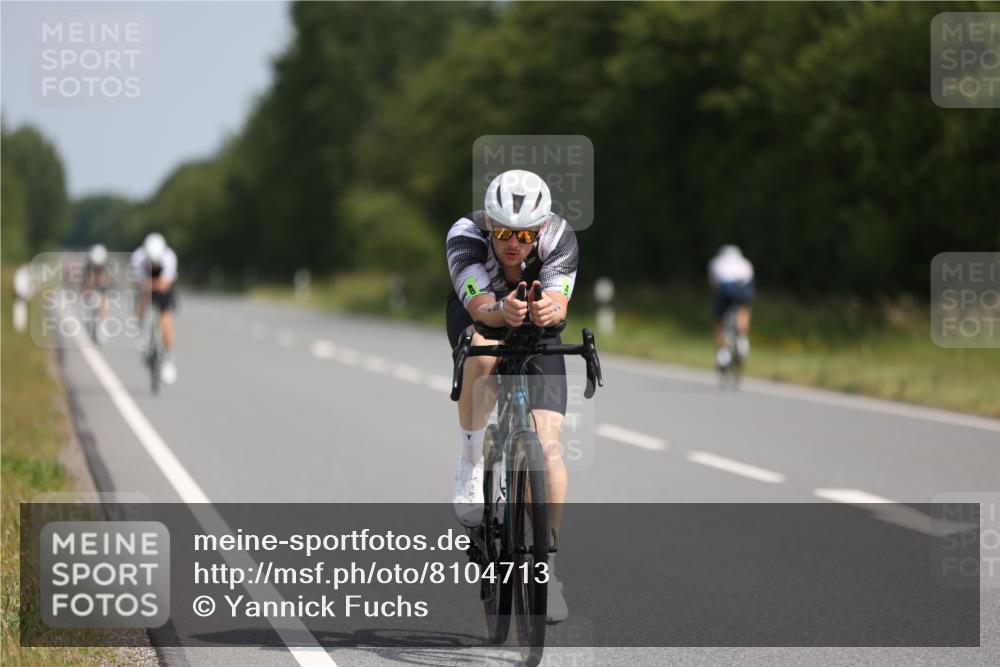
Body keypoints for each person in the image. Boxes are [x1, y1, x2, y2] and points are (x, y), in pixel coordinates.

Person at [445, 169, 578, 623]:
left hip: (538, 328)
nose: (513, 243)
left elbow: (561, 301)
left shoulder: (560, 237)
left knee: (547, 445)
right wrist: (502, 310)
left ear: (541, 229)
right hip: (481, 315)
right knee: (482, 356)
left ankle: (547, 568)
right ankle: (470, 460)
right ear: (488, 224)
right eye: (502, 232)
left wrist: (548, 308)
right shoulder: (465, 235)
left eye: (524, 234)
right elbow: (479, 306)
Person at [131, 232, 179, 384]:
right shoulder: (138, 257)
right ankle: (141, 332)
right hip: (145, 289)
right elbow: (139, 284)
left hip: (163, 290)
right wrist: (149, 285)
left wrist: (153, 284)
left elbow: (166, 284)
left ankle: (168, 361)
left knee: (166, 323)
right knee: (141, 301)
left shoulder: (169, 257)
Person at [708, 245, 754, 367]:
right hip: (743, 288)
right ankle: (743, 339)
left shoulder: (716, 262)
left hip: (726, 289)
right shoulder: (745, 262)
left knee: (720, 318)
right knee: (743, 309)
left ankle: (723, 352)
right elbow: (750, 279)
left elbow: (714, 283)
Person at [82, 244, 111, 340]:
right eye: (96, 265)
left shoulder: (105, 266)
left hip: (101, 287)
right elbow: (86, 284)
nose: (97, 266)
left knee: (104, 301)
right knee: (88, 294)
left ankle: (102, 323)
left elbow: (106, 283)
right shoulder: (88, 266)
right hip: (90, 285)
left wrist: (102, 283)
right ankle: (87, 315)